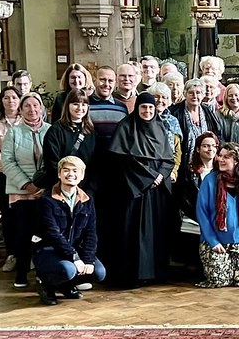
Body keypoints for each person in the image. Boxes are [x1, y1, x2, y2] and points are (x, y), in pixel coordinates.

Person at [103, 93, 177, 287]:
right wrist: (150, 177)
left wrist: (160, 175)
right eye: (144, 107)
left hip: (156, 191)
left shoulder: (160, 127)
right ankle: (133, 274)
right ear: (137, 108)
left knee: (156, 232)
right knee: (132, 232)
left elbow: (168, 159)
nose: (147, 111)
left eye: (151, 108)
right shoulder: (126, 126)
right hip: (133, 189)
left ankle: (155, 272)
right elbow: (123, 159)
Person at [33, 156, 106, 305]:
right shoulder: (46, 199)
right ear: (59, 174)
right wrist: (74, 257)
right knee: (68, 270)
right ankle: (45, 284)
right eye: (66, 170)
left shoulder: (87, 200)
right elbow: (53, 234)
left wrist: (88, 260)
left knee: (98, 273)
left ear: (82, 175)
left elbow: (91, 233)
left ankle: (65, 285)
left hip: (72, 250)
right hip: (49, 249)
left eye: (75, 171)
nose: (70, 174)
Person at [1, 92, 51, 288]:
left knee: (43, 232)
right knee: (23, 233)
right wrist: (28, 185)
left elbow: (54, 160)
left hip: (45, 191)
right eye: (27, 106)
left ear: (42, 109)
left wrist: (43, 185)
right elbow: (8, 162)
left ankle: (42, 270)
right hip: (21, 192)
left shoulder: (50, 130)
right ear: (20, 111)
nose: (32, 110)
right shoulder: (13, 133)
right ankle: (21, 273)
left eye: (35, 106)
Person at [196, 142, 239, 287]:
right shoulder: (209, 181)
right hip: (215, 243)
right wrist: (213, 241)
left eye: (226, 157)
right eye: (220, 156)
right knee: (219, 280)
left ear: (237, 160)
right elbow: (202, 213)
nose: (221, 159)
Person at [0, 87, 22, 273]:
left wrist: (19, 173)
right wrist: (10, 171)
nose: (10, 101)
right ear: (1, 101)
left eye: (14, 97)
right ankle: (12, 255)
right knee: (8, 215)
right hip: (2, 175)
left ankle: (27, 253)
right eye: (6, 98)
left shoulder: (26, 120)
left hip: (25, 175)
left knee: (24, 215)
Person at [38, 89, 96, 191]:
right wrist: (68, 183)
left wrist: (87, 186)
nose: (80, 108)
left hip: (86, 188)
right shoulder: (56, 130)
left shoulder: (91, 131)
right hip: (60, 186)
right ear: (67, 105)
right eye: (75, 104)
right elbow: (51, 163)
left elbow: (94, 162)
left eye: (83, 104)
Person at [169, 79, 221, 175]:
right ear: (185, 94)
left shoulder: (207, 112)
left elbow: (216, 134)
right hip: (183, 164)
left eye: (198, 93)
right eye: (191, 93)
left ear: (202, 95)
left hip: (205, 164)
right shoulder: (175, 112)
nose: (195, 96)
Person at [88, 66, 128, 154]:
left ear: (115, 83)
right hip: (90, 159)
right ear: (95, 81)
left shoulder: (122, 108)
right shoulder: (85, 105)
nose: (106, 84)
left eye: (110, 81)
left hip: (115, 159)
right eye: (102, 79)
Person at [148, 84, 183, 184]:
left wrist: (174, 171)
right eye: (156, 96)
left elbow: (177, 151)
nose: (160, 100)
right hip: (148, 172)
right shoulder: (143, 119)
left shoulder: (173, 121)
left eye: (164, 97)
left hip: (167, 171)